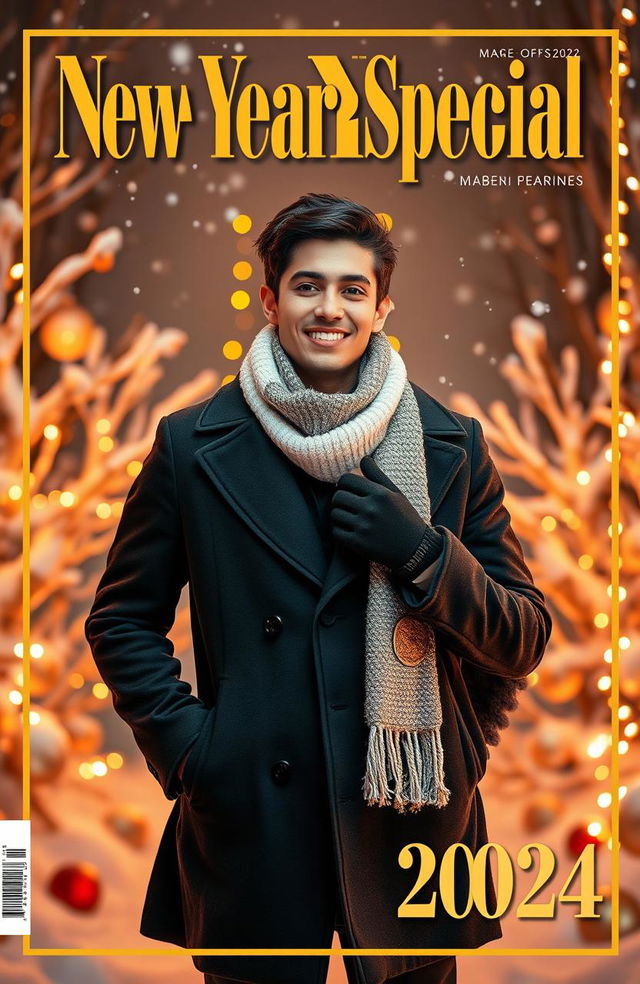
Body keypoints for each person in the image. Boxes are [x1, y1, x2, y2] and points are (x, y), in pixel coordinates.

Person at [85, 192, 552, 984]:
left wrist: (422, 553)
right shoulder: (192, 447)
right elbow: (122, 619)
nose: (328, 308)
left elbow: (523, 636)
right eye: (306, 286)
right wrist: (197, 753)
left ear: (381, 305)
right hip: (252, 817)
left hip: (412, 823)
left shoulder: (451, 446)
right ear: (270, 299)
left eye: (351, 288)